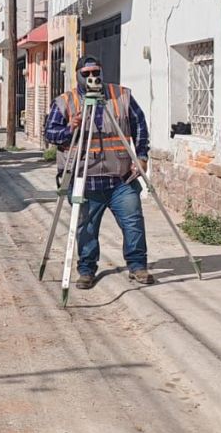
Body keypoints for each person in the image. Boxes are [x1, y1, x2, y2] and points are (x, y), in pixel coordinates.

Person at [43, 54, 151, 288]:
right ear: (78, 75)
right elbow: (50, 134)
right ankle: (86, 270)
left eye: (96, 72)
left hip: (121, 178)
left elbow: (139, 124)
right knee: (86, 229)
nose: (92, 77)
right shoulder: (65, 101)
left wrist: (141, 156)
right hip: (85, 179)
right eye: (87, 74)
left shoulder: (121, 96)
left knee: (133, 223)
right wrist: (70, 128)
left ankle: (138, 266)